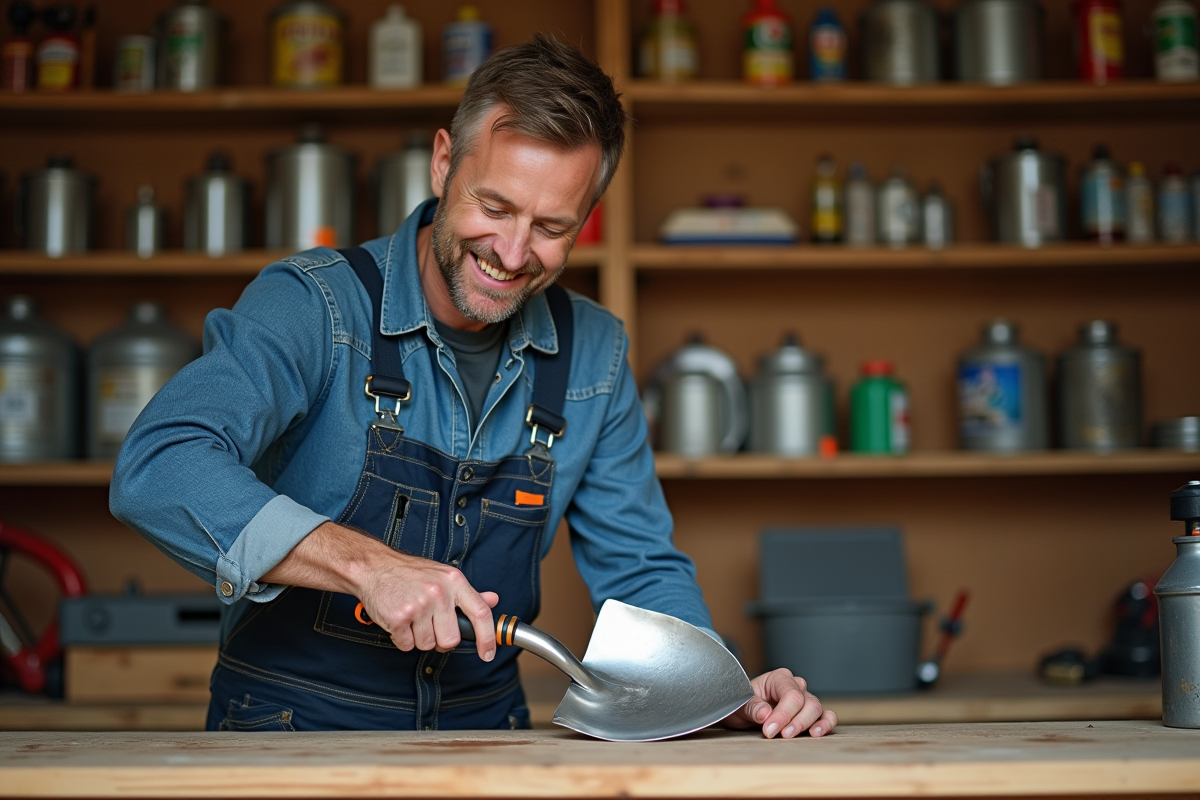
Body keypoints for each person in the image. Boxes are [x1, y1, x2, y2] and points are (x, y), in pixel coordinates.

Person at [110, 34, 837, 739]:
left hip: (489, 736)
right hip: (291, 731)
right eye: (495, 208)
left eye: (552, 226)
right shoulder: (315, 307)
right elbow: (159, 466)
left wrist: (713, 691)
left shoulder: (595, 354)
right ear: (443, 163)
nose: (513, 253)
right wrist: (368, 566)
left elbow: (641, 567)